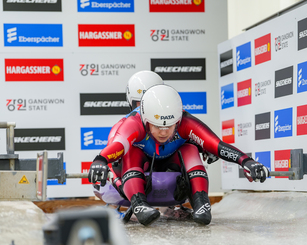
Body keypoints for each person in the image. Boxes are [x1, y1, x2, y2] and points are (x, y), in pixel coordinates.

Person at [88, 85, 269, 226]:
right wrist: (100, 160)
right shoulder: (132, 124)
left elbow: (216, 145)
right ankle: (139, 203)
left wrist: (247, 161)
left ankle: (201, 203)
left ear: (178, 120)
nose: (164, 132)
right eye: (158, 126)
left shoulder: (186, 122)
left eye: (170, 126)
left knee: (190, 148)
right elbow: (118, 145)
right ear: (145, 120)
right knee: (131, 151)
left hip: (171, 164)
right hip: (141, 164)